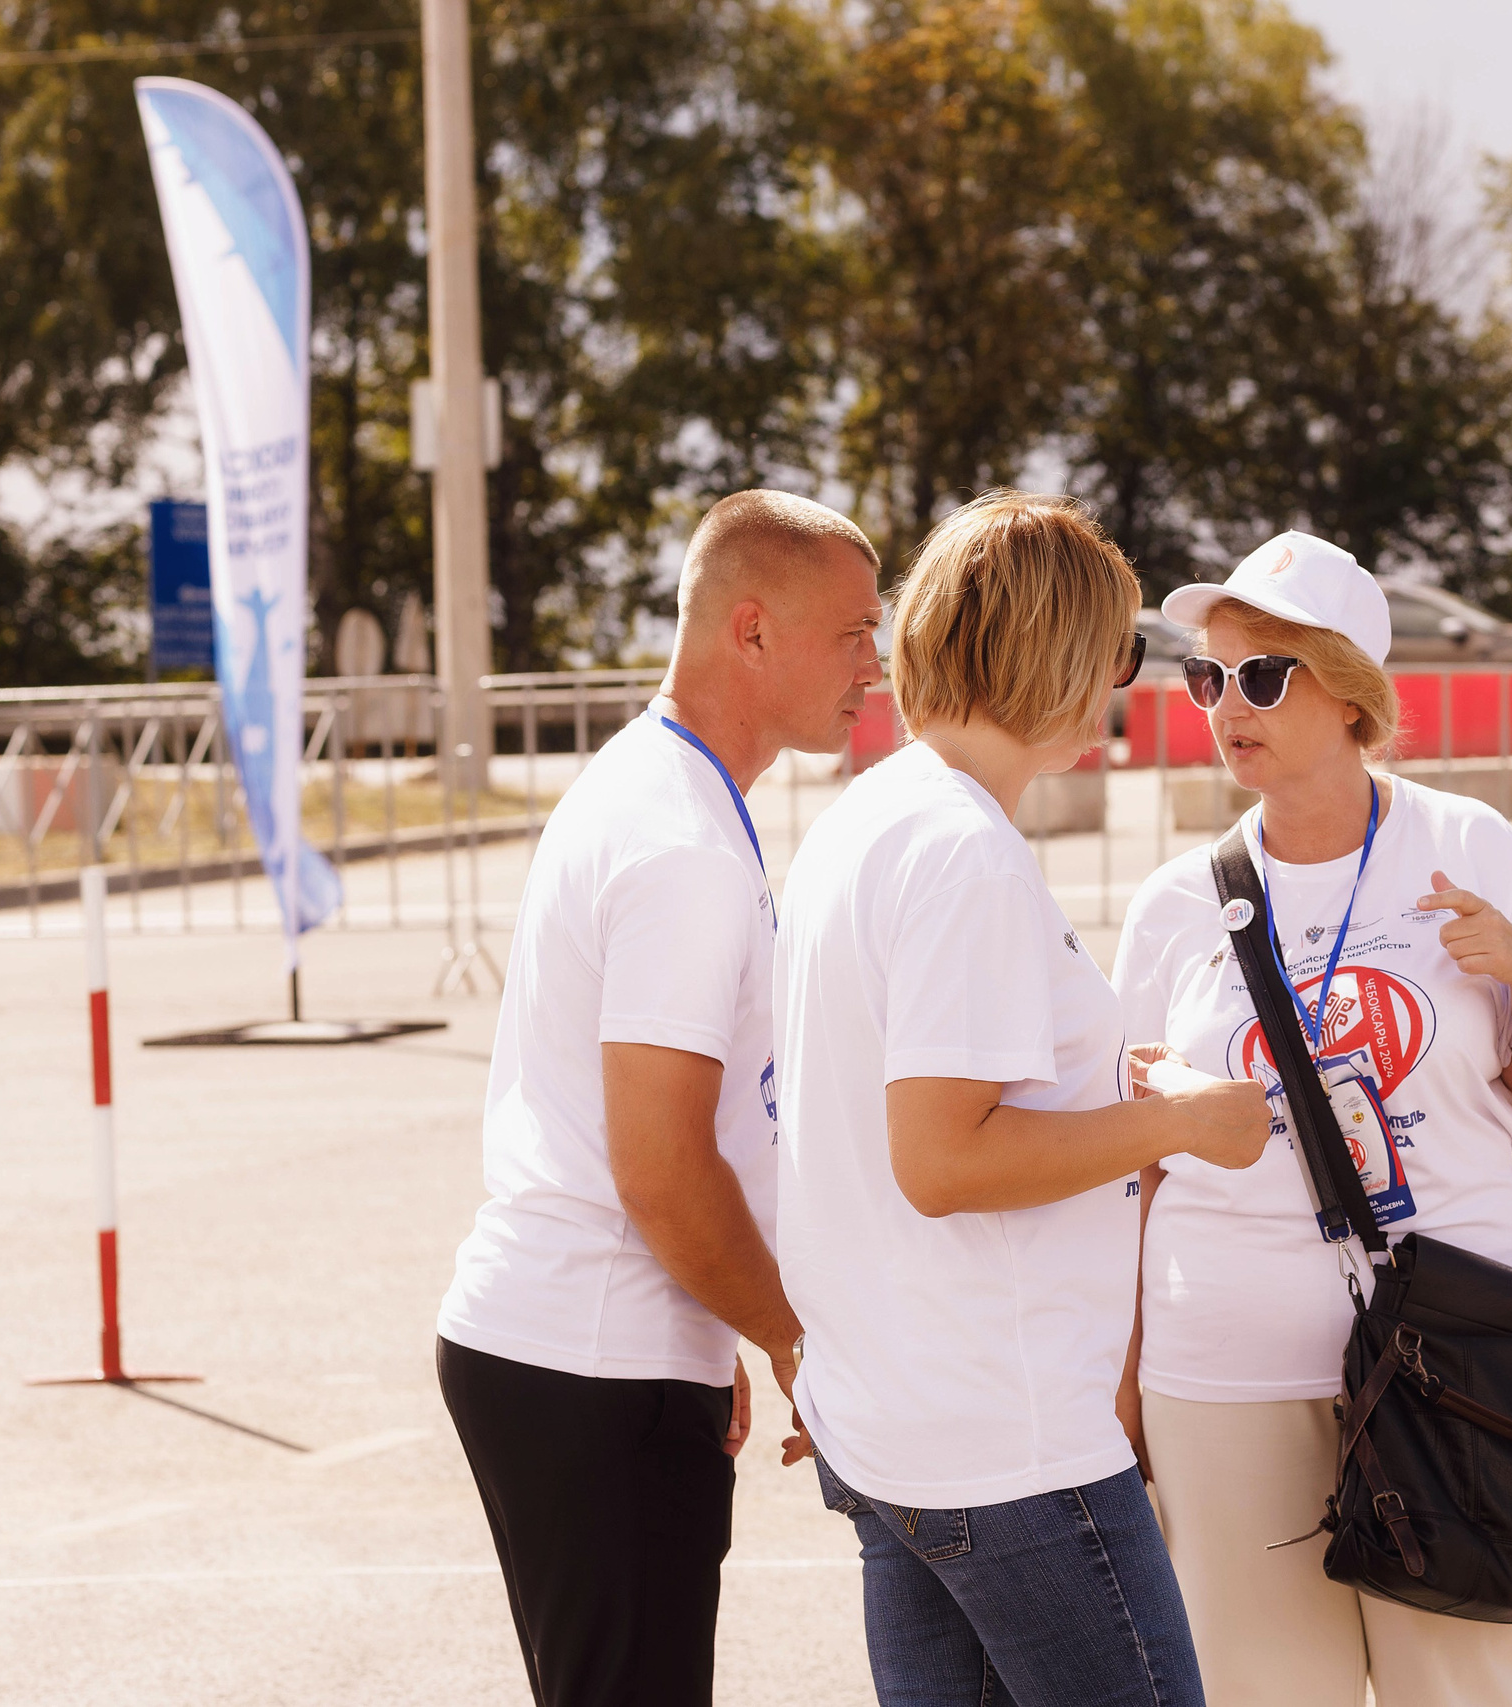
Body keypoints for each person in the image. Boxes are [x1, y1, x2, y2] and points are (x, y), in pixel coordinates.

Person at [773, 490, 1269, 1707]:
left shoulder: (870, 821)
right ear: (1054, 650)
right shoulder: (960, 850)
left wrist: (1108, 1085)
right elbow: (943, 1161)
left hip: (899, 1421)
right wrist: (1179, 1123)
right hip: (1007, 1445)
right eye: (1123, 648)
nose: (1124, 681)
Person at [1110, 531, 1512, 1707]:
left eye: (1263, 675)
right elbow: (1135, 1168)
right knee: (1263, 1691)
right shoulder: (1175, 904)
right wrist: (1123, 1387)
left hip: (1450, 1357)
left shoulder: (1464, 847)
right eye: (1207, 676)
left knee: (1464, 1687)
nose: (1225, 704)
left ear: (1348, 691)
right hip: (1224, 1368)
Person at [434, 490, 884, 1707]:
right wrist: (794, 1342)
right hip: (590, 1358)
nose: (874, 664)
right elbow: (661, 1165)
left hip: (603, 1346)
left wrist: (708, 1328)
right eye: (851, 633)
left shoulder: (663, 787)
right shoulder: (679, 841)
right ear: (750, 631)